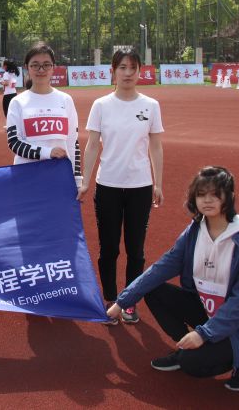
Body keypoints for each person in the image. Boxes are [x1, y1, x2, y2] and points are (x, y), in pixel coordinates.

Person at [106, 166, 239, 391]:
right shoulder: (195, 231)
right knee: (154, 290)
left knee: (192, 365)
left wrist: (203, 334)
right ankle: (187, 345)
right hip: (209, 311)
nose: (207, 200)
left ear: (229, 197)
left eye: (215, 194)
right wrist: (122, 301)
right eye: (201, 194)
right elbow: (162, 268)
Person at [77, 48, 164, 325]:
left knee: (135, 249)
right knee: (109, 248)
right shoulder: (101, 105)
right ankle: (110, 299)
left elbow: (155, 146)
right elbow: (92, 145)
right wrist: (85, 180)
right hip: (108, 185)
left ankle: (129, 302)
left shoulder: (150, 105)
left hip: (140, 186)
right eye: (122, 67)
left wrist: (158, 183)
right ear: (112, 71)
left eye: (132, 68)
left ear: (140, 71)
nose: (127, 73)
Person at [5, 41, 81, 186]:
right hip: (26, 177)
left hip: (59, 177)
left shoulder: (65, 100)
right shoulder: (17, 102)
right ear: (27, 68)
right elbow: (14, 143)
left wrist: (77, 179)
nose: (41, 70)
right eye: (35, 65)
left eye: (46, 65)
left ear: (53, 68)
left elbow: (73, 143)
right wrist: (47, 152)